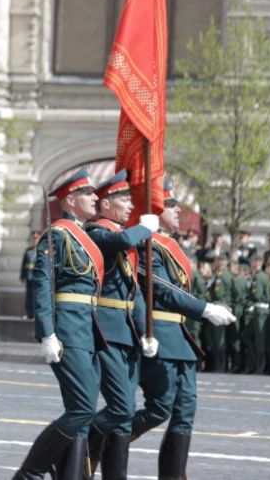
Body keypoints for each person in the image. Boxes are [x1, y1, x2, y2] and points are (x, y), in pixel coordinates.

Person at [130, 180, 235, 480]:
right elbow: (160, 289)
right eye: (171, 205)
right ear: (156, 209)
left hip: (181, 337)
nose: (178, 210)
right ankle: (101, 442)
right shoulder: (147, 241)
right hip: (160, 332)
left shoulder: (173, 244)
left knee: (184, 413)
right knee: (160, 406)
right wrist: (204, 309)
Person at [11, 167, 104, 480]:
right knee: (82, 409)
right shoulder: (58, 234)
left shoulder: (83, 237)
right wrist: (47, 332)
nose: (96, 198)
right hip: (68, 329)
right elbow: (42, 282)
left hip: (87, 329)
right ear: (71, 200)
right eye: (88, 193)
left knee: (82, 409)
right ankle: (31, 471)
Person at [83, 170, 156, 480]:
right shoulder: (96, 230)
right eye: (125, 200)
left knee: (124, 420)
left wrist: (144, 331)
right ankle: (78, 445)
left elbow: (135, 292)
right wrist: (144, 229)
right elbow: (123, 238)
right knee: (121, 407)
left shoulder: (126, 237)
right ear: (107, 204)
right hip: (107, 330)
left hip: (127, 332)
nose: (130, 206)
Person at [241, 256, 269, 374]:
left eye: (252, 261)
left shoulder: (259, 277)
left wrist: (249, 298)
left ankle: (260, 366)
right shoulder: (260, 276)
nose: (251, 263)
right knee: (247, 335)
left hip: (260, 309)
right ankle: (254, 363)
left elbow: (256, 295)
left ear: (257, 262)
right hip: (258, 309)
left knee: (259, 339)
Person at [205, 255, 232, 372]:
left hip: (220, 305)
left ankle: (221, 365)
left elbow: (218, 293)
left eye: (216, 260)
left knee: (218, 337)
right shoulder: (219, 275)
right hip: (218, 304)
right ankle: (219, 364)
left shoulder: (222, 276)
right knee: (214, 336)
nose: (214, 262)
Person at [20, 231, 41, 319]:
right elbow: (24, 264)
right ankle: (29, 313)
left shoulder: (42, 251)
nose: (35, 241)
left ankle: (36, 313)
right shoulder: (29, 251)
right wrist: (22, 275)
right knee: (29, 296)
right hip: (29, 276)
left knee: (37, 295)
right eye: (34, 239)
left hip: (37, 276)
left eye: (37, 239)